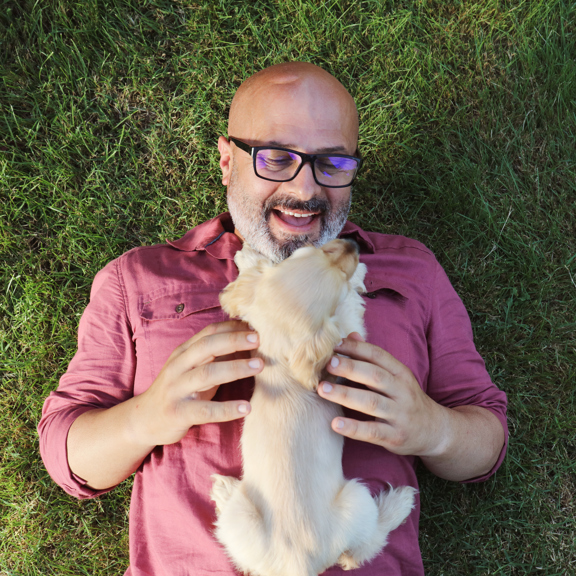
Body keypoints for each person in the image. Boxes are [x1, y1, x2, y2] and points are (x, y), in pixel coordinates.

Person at [39, 62, 508, 576]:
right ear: (227, 160)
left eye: (332, 163)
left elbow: (486, 442)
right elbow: (68, 460)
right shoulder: (141, 278)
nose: (307, 191)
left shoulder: (411, 270)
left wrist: (433, 428)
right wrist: (146, 416)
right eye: (277, 158)